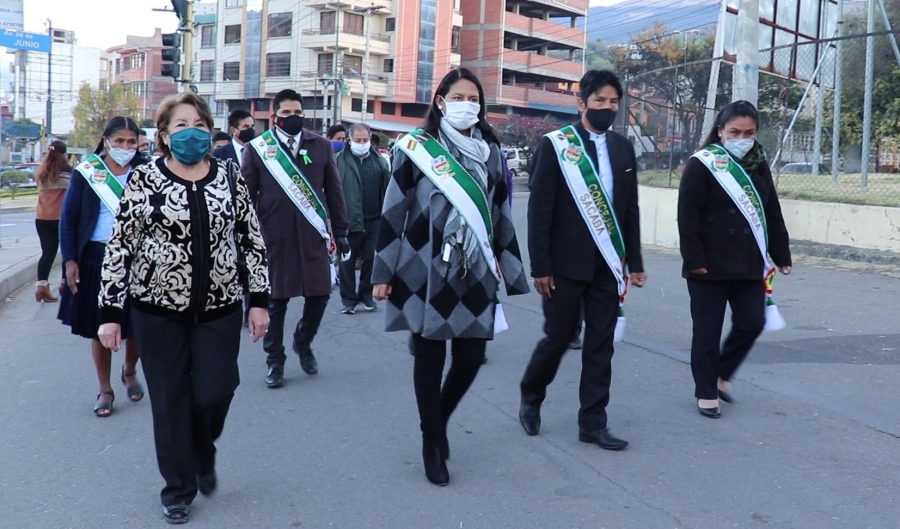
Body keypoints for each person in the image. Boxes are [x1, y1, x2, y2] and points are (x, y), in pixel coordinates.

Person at [97, 92, 270, 524]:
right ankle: (178, 489)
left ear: (209, 131)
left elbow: (251, 239)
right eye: (181, 125)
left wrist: (259, 301)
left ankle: (202, 447)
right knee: (170, 401)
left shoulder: (229, 175)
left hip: (220, 308)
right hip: (157, 311)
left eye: (199, 124)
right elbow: (120, 246)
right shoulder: (144, 179)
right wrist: (110, 313)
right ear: (163, 135)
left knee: (217, 389)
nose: (191, 132)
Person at [372, 68, 529, 486]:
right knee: (430, 358)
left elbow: (500, 212)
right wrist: (382, 272)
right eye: (457, 97)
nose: (466, 105)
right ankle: (431, 442)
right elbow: (393, 210)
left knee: (471, 357)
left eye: (473, 98)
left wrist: (511, 269)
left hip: (474, 268)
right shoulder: (415, 148)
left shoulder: (490, 152)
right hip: (422, 266)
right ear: (440, 102)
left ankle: (437, 423)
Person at [519, 70, 647, 451]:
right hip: (563, 266)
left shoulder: (623, 148)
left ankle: (593, 422)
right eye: (599, 101)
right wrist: (541, 266)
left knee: (601, 344)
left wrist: (636, 262)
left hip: (608, 265)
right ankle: (531, 394)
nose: (607, 107)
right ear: (581, 103)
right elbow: (540, 210)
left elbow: (629, 209)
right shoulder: (556, 145)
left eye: (613, 102)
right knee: (558, 338)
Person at [677, 100, 792, 419]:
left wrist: (781, 253)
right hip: (707, 263)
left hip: (747, 261)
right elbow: (687, 216)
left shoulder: (758, 163)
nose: (742, 138)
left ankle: (722, 373)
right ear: (721, 132)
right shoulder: (703, 163)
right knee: (707, 331)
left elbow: (771, 210)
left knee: (752, 321)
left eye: (749, 133)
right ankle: (706, 391)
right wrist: (694, 258)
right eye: (735, 132)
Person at [242, 89, 350, 389]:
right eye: (287, 113)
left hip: (312, 234)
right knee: (276, 302)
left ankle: (303, 340)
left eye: (298, 112)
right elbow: (247, 198)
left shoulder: (320, 145)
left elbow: (334, 191)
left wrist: (341, 231)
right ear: (274, 117)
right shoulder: (258, 148)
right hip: (274, 237)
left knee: (320, 294)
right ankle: (275, 360)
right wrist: (246, 238)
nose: (293, 117)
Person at [58, 116, 148, 417]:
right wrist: (70, 260)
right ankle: (105, 388)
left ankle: (129, 368)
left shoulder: (147, 171)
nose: (125, 147)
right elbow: (68, 220)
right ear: (106, 141)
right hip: (96, 257)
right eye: (119, 141)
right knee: (100, 328)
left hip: (138, 258)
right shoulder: (88, 173)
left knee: (137, 324)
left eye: (131, 142)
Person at [335, 123, 391, 314]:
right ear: (349, 140)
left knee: (370, 259)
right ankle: (349, 300)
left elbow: (387, 188)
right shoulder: (339, 161)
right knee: (347, 262)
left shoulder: (380, 161)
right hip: (349, 220)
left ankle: (366, 295)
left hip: (375, 219)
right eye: (358, 140)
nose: (362, 143)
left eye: (365, 140)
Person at [214, 109, 257, 326]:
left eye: (252, 126)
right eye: (246, 127)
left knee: (252, 263)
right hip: (227, 218)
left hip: (254, 218)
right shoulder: (219, 155)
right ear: (234, 130)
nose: (251, 130)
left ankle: (252, 309)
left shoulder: (261, 151)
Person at [34, 140, 72, 303]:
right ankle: (64, 284)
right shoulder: (67, 170)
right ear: (64, 154)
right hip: (60, 219)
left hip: (41, 218)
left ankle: (41, 287)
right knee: (66, 252)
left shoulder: (42, 172)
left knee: (47, 253)